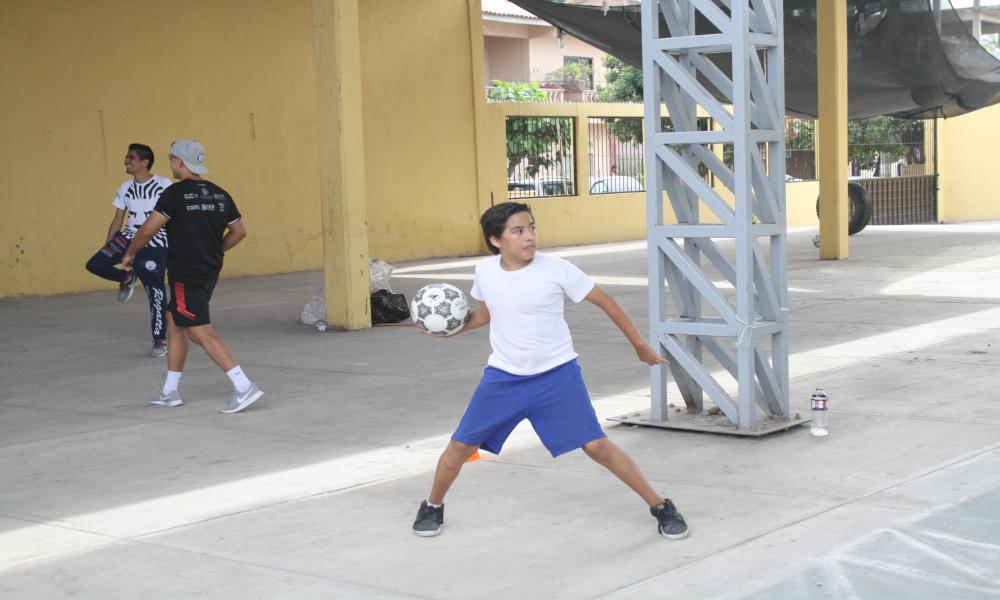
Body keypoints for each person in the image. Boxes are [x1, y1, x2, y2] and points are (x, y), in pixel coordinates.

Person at [411, 201, 689, 540]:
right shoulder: (485, 271)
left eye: (531, 228)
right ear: (496, 240)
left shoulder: (557, 269)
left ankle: (661, 506)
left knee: (598, 447)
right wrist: (450, 329)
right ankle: (432, 506)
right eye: (518, 231)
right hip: (503, 379)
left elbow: (607, 302)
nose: (529, 237)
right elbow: (485, 315)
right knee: (459, 446)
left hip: (558, 376)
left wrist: (639, 344)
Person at [122, 140, 264, 414]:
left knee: (199, 330)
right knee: (175, 322)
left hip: (185, 272)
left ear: (179, 162)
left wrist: (130, 254)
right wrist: (216, 250)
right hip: (209, 269)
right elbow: (239, 232)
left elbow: (147, 230)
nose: (171, 164)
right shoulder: (220, 194)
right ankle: (169, 391)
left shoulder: (174, 194)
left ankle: (244, 387)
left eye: (172, 159)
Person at [85, 143, 171, 357]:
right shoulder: (125, 187)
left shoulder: (163, 184)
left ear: (145, 162)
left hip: (156, 239)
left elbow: (174, 216)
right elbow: (117, 219)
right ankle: (126, 277)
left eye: (131, 157)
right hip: (128, 236)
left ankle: (160, 339)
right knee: (94, 264)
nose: (126, 160)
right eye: (126, 157)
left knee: (155, 290)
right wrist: (108, 246)